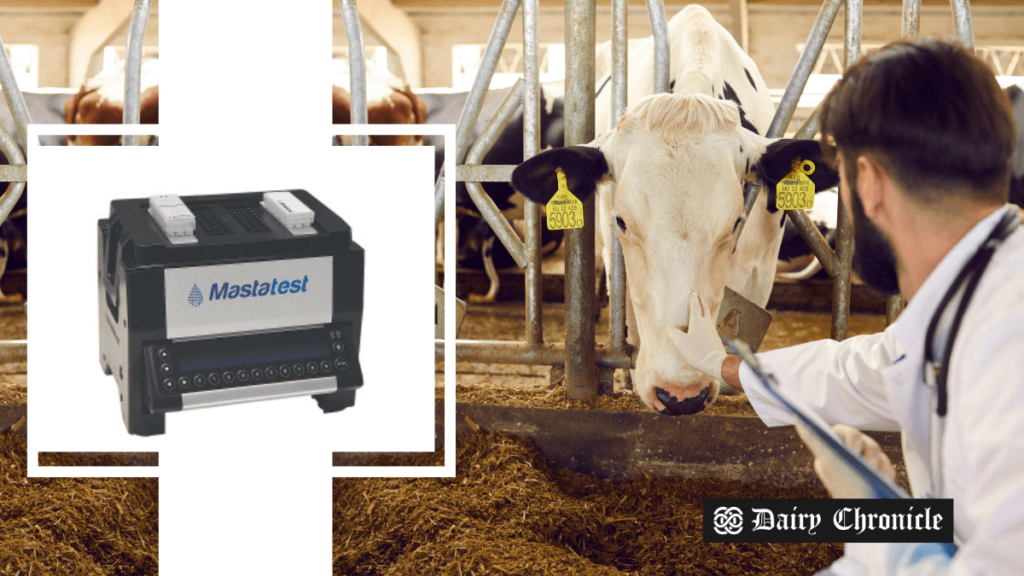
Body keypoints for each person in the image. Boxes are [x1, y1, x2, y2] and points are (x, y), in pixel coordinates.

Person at [672, 38, 1024, 575]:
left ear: (868, 181)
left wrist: (878, 533)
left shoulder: (1008, 339)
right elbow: (872, 371)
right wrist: (725, 364)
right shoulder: (979, 292)